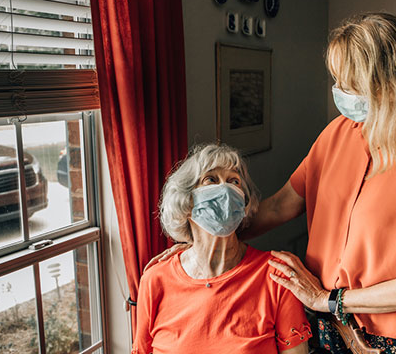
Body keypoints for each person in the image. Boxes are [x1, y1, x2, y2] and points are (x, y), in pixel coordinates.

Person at [153, 12, 396, 353]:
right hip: (321, 320)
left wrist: (329, 299)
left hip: (388, 336)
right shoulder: (338, 133)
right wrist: (203, 245)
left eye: (347, 82)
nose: (338, 91)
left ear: (389, 84)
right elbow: (280, 205)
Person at [133, 144, 310, 354]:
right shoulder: (155, 280)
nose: (225, 189)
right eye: (211, 179)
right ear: (186, 202)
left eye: (234, 181)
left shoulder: (277, 277)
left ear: (243, 205)